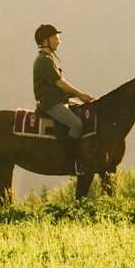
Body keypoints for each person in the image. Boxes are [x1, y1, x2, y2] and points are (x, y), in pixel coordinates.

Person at [33, 24, 96, 175]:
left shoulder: (48, 59)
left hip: (59, 101)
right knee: (77, 125)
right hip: (51, 104)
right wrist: (80, 95)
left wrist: (80, 97)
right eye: (55, 37)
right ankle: (71, 162)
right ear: (45, 40)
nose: (59, 41)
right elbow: (60, 83)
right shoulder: (44, 61)